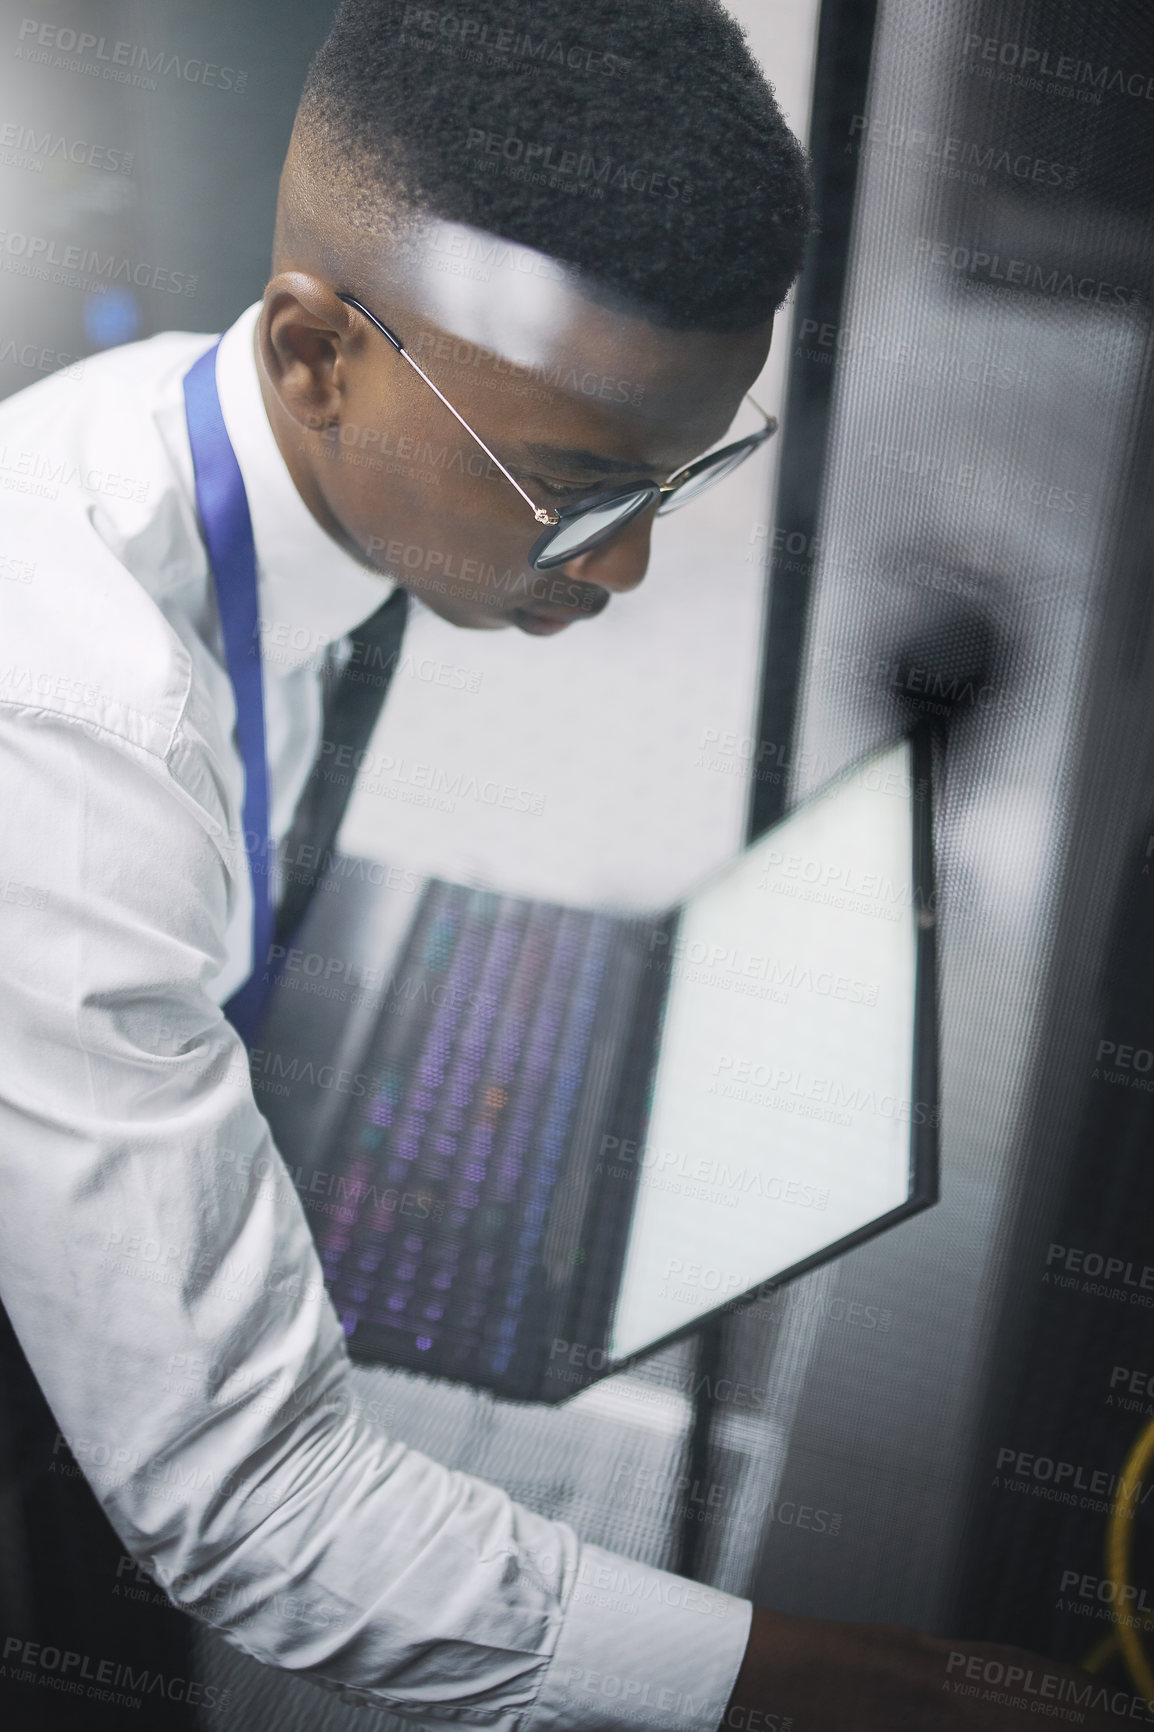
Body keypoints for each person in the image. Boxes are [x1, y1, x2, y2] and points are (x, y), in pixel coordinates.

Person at [0, 1, 1130, 1727]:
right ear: (318, 357)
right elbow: (247, 1506)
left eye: (685, 472)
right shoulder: (72, 727)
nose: (623, 572)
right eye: (576, 487)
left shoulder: (205, 430)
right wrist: (860, 1689)